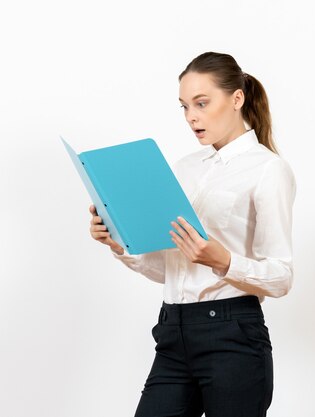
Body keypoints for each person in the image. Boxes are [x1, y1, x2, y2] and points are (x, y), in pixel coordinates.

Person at [89, 51, 296, 417]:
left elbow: (281, 277)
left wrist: (224, 261)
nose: (191, 117)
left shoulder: (268, 170)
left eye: (201, 103)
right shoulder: (184, 169)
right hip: (172, 332)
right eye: (184, 106)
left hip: (233, 337)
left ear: (236, 98)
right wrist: (118, 242)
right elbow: (169, 269)